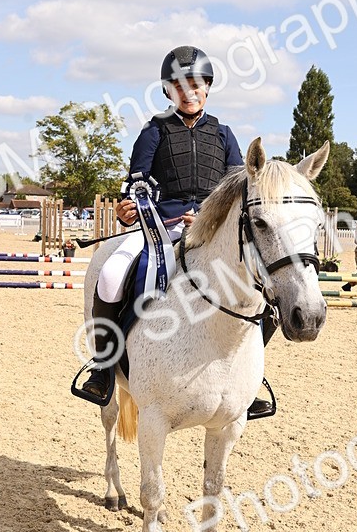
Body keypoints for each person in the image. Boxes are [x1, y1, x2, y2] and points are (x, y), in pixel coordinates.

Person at [79, 45, 251, 404]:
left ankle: (253, 378)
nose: (189, 92)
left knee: (260, 285)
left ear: (207, 87)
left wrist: (207, 216)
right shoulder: (153, 131)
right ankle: (103, 367)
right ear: (168, 91)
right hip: (160, 227)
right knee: (110, 275)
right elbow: (135, 185)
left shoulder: (224, 135)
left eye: (197, 84)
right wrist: (128, 210)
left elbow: (236, 191)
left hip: (212, 233)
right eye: (180, 85)